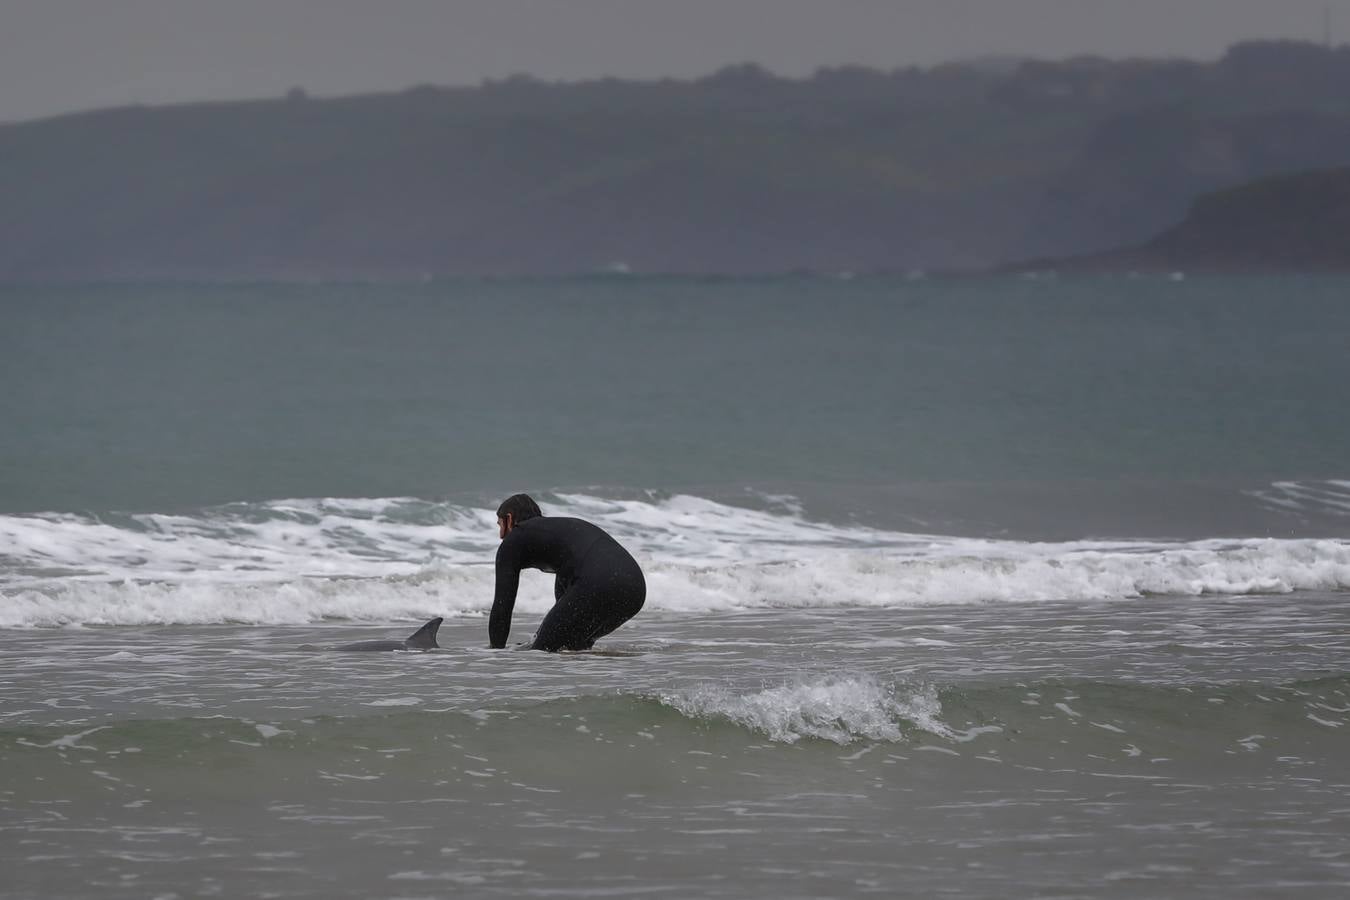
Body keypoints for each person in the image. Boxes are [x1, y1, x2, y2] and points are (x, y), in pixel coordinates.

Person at [489, 493, 646, 651]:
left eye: (500, 525)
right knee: (573, 646)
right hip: (635, 589)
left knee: (543, 651)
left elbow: (502, 606)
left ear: (509, 519)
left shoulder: (515, 538)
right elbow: (565, 602)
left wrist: (496, 653)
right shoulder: (561, 535)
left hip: (599, 582)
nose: (501, 535)